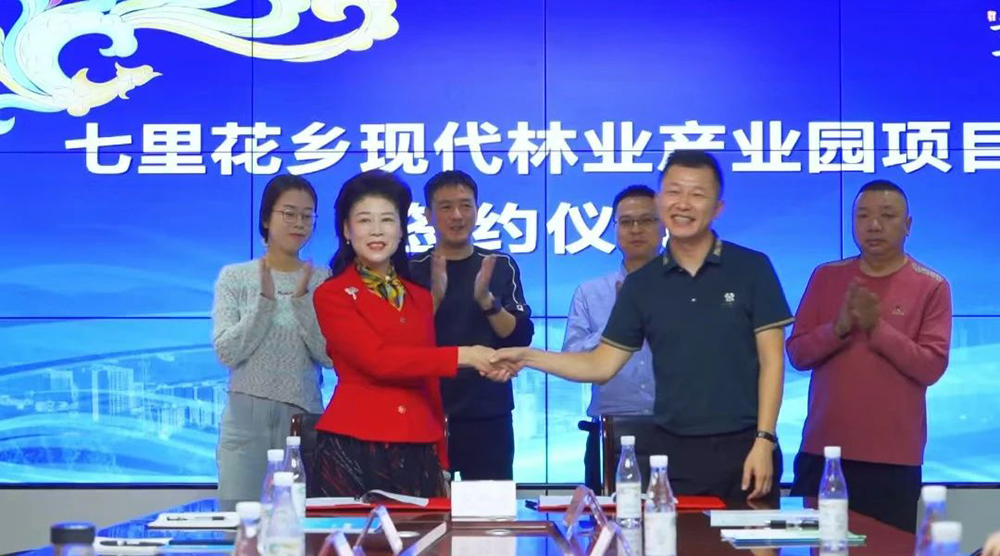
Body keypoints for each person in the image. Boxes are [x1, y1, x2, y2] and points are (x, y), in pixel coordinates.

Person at [493, 150, 792, 502]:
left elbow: (772, 362)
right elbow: (600, 365)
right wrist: (527, 356)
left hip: (746, 446)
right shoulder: (643, 284)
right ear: (661, 202)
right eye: (674, 191)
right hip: (673, 453)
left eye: (697, 194)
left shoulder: (751, 268)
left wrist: (764, 439)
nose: (684, 203)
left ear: (717, 208)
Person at [311, 170, 503, 497]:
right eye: (364, 220)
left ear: (401, 230)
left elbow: (429, 381)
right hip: (354, 444)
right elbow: (378, 361)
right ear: (346, 230)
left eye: (387, 220)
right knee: (348, 531)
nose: (376, 230)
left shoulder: (418, 296)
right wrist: (465, 355)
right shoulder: (332, 294)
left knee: (427, 532)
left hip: (419, 444)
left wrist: (442, 458)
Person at [786, 179, 952, 532]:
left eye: (887, 216)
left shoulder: (932, 286)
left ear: (908, 225)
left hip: (894, 461)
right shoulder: (826, 277)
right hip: (823, 454)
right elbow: (797, 354)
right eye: (862, 216)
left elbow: (930, 367)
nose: (873, 225)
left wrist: (876, 328)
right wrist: (839, 328)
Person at [212, 174, 331, 502]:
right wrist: (264, 304)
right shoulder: (235, 277)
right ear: (266, 218)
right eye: (289, 213)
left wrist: (302, 303)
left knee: (297, 519)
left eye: (307, 216)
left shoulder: (322, 279)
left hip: (301, 419)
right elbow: (227, 352)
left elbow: (329, 356)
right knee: (240, 519)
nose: (299, 223)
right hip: (245, 420)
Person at [409, 170, 534, 481]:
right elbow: (403, 340)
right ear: (428, 216)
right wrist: (435, 298)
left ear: (477, 210)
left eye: (466, 205)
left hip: (488, 410)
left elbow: (519, 336)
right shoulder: (411, 269)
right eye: (446, 207)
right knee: (426, 504)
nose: (457, 215)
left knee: (490, 506)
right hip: (426, 408)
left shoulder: (499, 265)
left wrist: (486, 300)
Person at [562, 184, 662, 490]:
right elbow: (571, 360)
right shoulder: (591, 292)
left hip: (678, 427)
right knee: (605, 517)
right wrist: (617, 321)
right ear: (615, 229)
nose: (636, 229)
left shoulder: (688, 289)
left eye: (646, 220)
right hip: (610, 430)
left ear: (663, 226)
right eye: (626, 222)